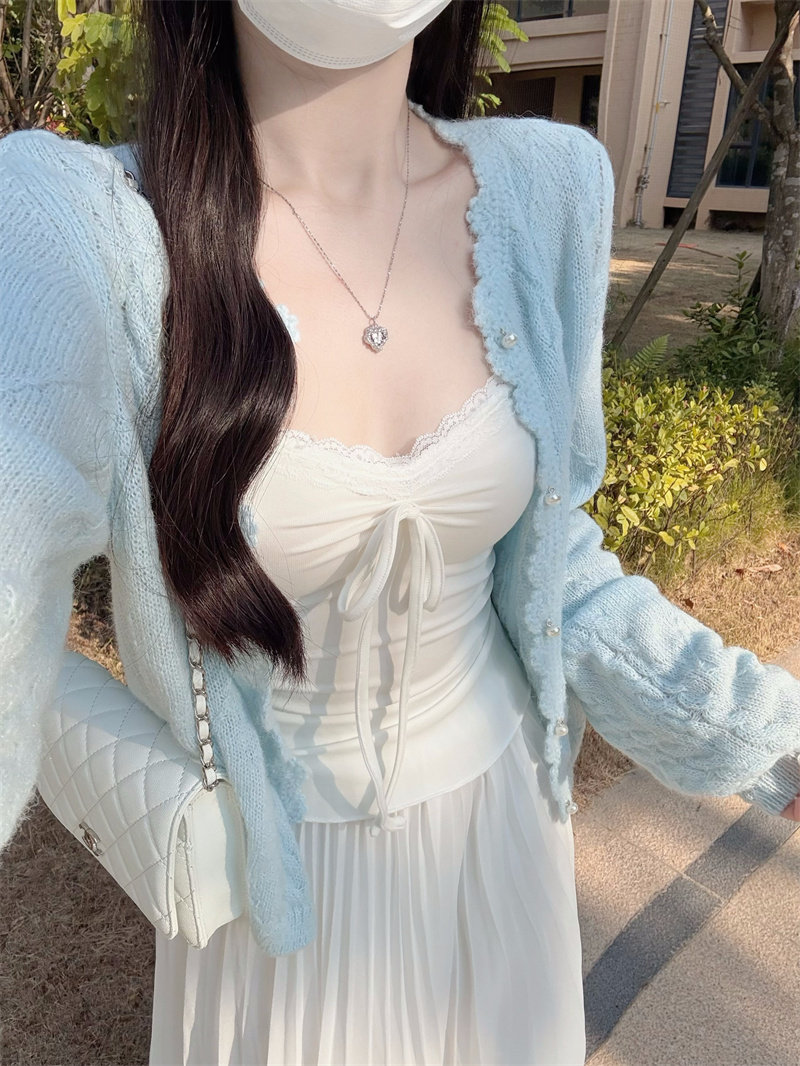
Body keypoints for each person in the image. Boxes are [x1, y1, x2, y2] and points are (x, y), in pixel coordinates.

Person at [1, 1, 799, 1064]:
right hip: (278, 905)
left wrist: (772, 738)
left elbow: (554, 573)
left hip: (503, 845)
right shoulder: (79, 225)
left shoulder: (545, 187)